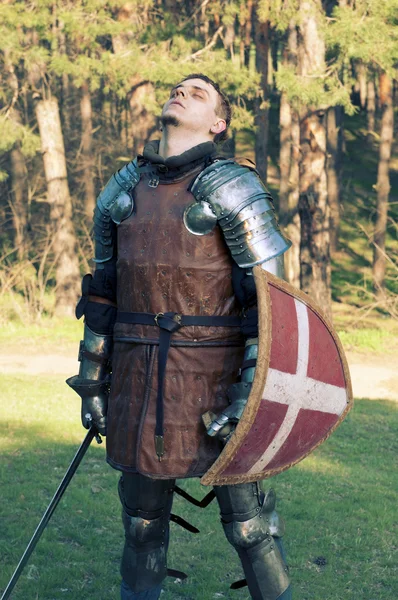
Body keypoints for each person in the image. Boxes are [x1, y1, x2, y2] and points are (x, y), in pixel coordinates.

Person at [67, 74, 292, 600]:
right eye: (177, 88)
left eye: (197, 92)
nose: (180, 92)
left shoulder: (233, 187)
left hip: (218, 382)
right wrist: (93, 382)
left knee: (249, 525)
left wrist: (248, 398)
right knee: (141, 523)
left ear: (218, 123)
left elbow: (270, 306)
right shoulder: (121, 189)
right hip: (139, 380)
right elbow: (102, 296)